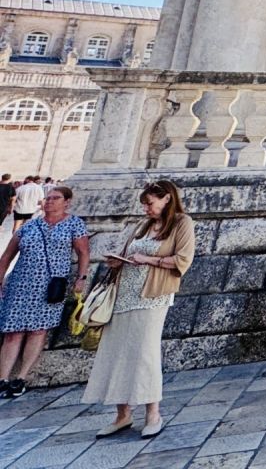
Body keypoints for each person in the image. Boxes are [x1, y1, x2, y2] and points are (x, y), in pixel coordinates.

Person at [83, 181, 195, 439]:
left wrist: (149, 260)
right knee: (117, 352)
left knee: (145, 353)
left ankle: (153, 414)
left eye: (150, 203)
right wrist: (116, 261)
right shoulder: (142, 226)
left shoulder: (181, 223)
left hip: (152, 297)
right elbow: (128, 253)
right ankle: (122, 415)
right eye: (144, 204)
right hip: (124, 294)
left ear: (166, 198)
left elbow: (183, 259)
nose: (146, 208)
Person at [0, 184, 89, 397]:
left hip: (50, 286)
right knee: (12, 332)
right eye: (48, 198)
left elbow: (83, 252)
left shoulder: (74, 224)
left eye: (55, 198)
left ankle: (20, 378)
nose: (49, 201)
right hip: (20, 284)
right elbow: (7, 255)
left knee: (38, 331)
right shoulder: (30, 226)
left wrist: (81, 278)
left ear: (66, 201)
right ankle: (2, 378)